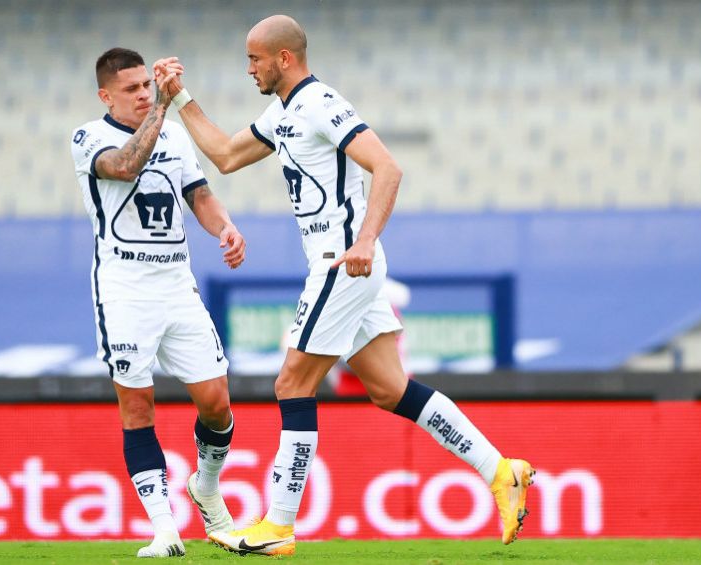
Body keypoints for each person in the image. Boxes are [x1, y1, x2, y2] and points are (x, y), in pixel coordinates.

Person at [153, 15, 534, 556]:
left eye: (255, 59)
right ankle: (501, 472)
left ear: (285, 58)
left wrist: (364, 239)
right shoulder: (283, 111)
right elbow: (225, 155)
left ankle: (279, 524)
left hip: (342, 263)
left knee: (291, 386)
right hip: (346, 265)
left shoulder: (321, 103)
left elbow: (388, 168)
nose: (249, 69)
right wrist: (180, 95)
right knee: (390, 390)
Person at [71, 47, 246, 558]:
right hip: (124, 289)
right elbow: (126, 166)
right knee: (138, 406)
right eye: (132, 89)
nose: (145, 94)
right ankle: (165, 529)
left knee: (216, 403)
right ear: (106, 95)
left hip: (176, 284)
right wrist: (164, 108)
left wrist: (226, 228)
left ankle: (205, 487)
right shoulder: (89, 137)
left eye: (148, 85)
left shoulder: (172, 136)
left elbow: (200, 195)